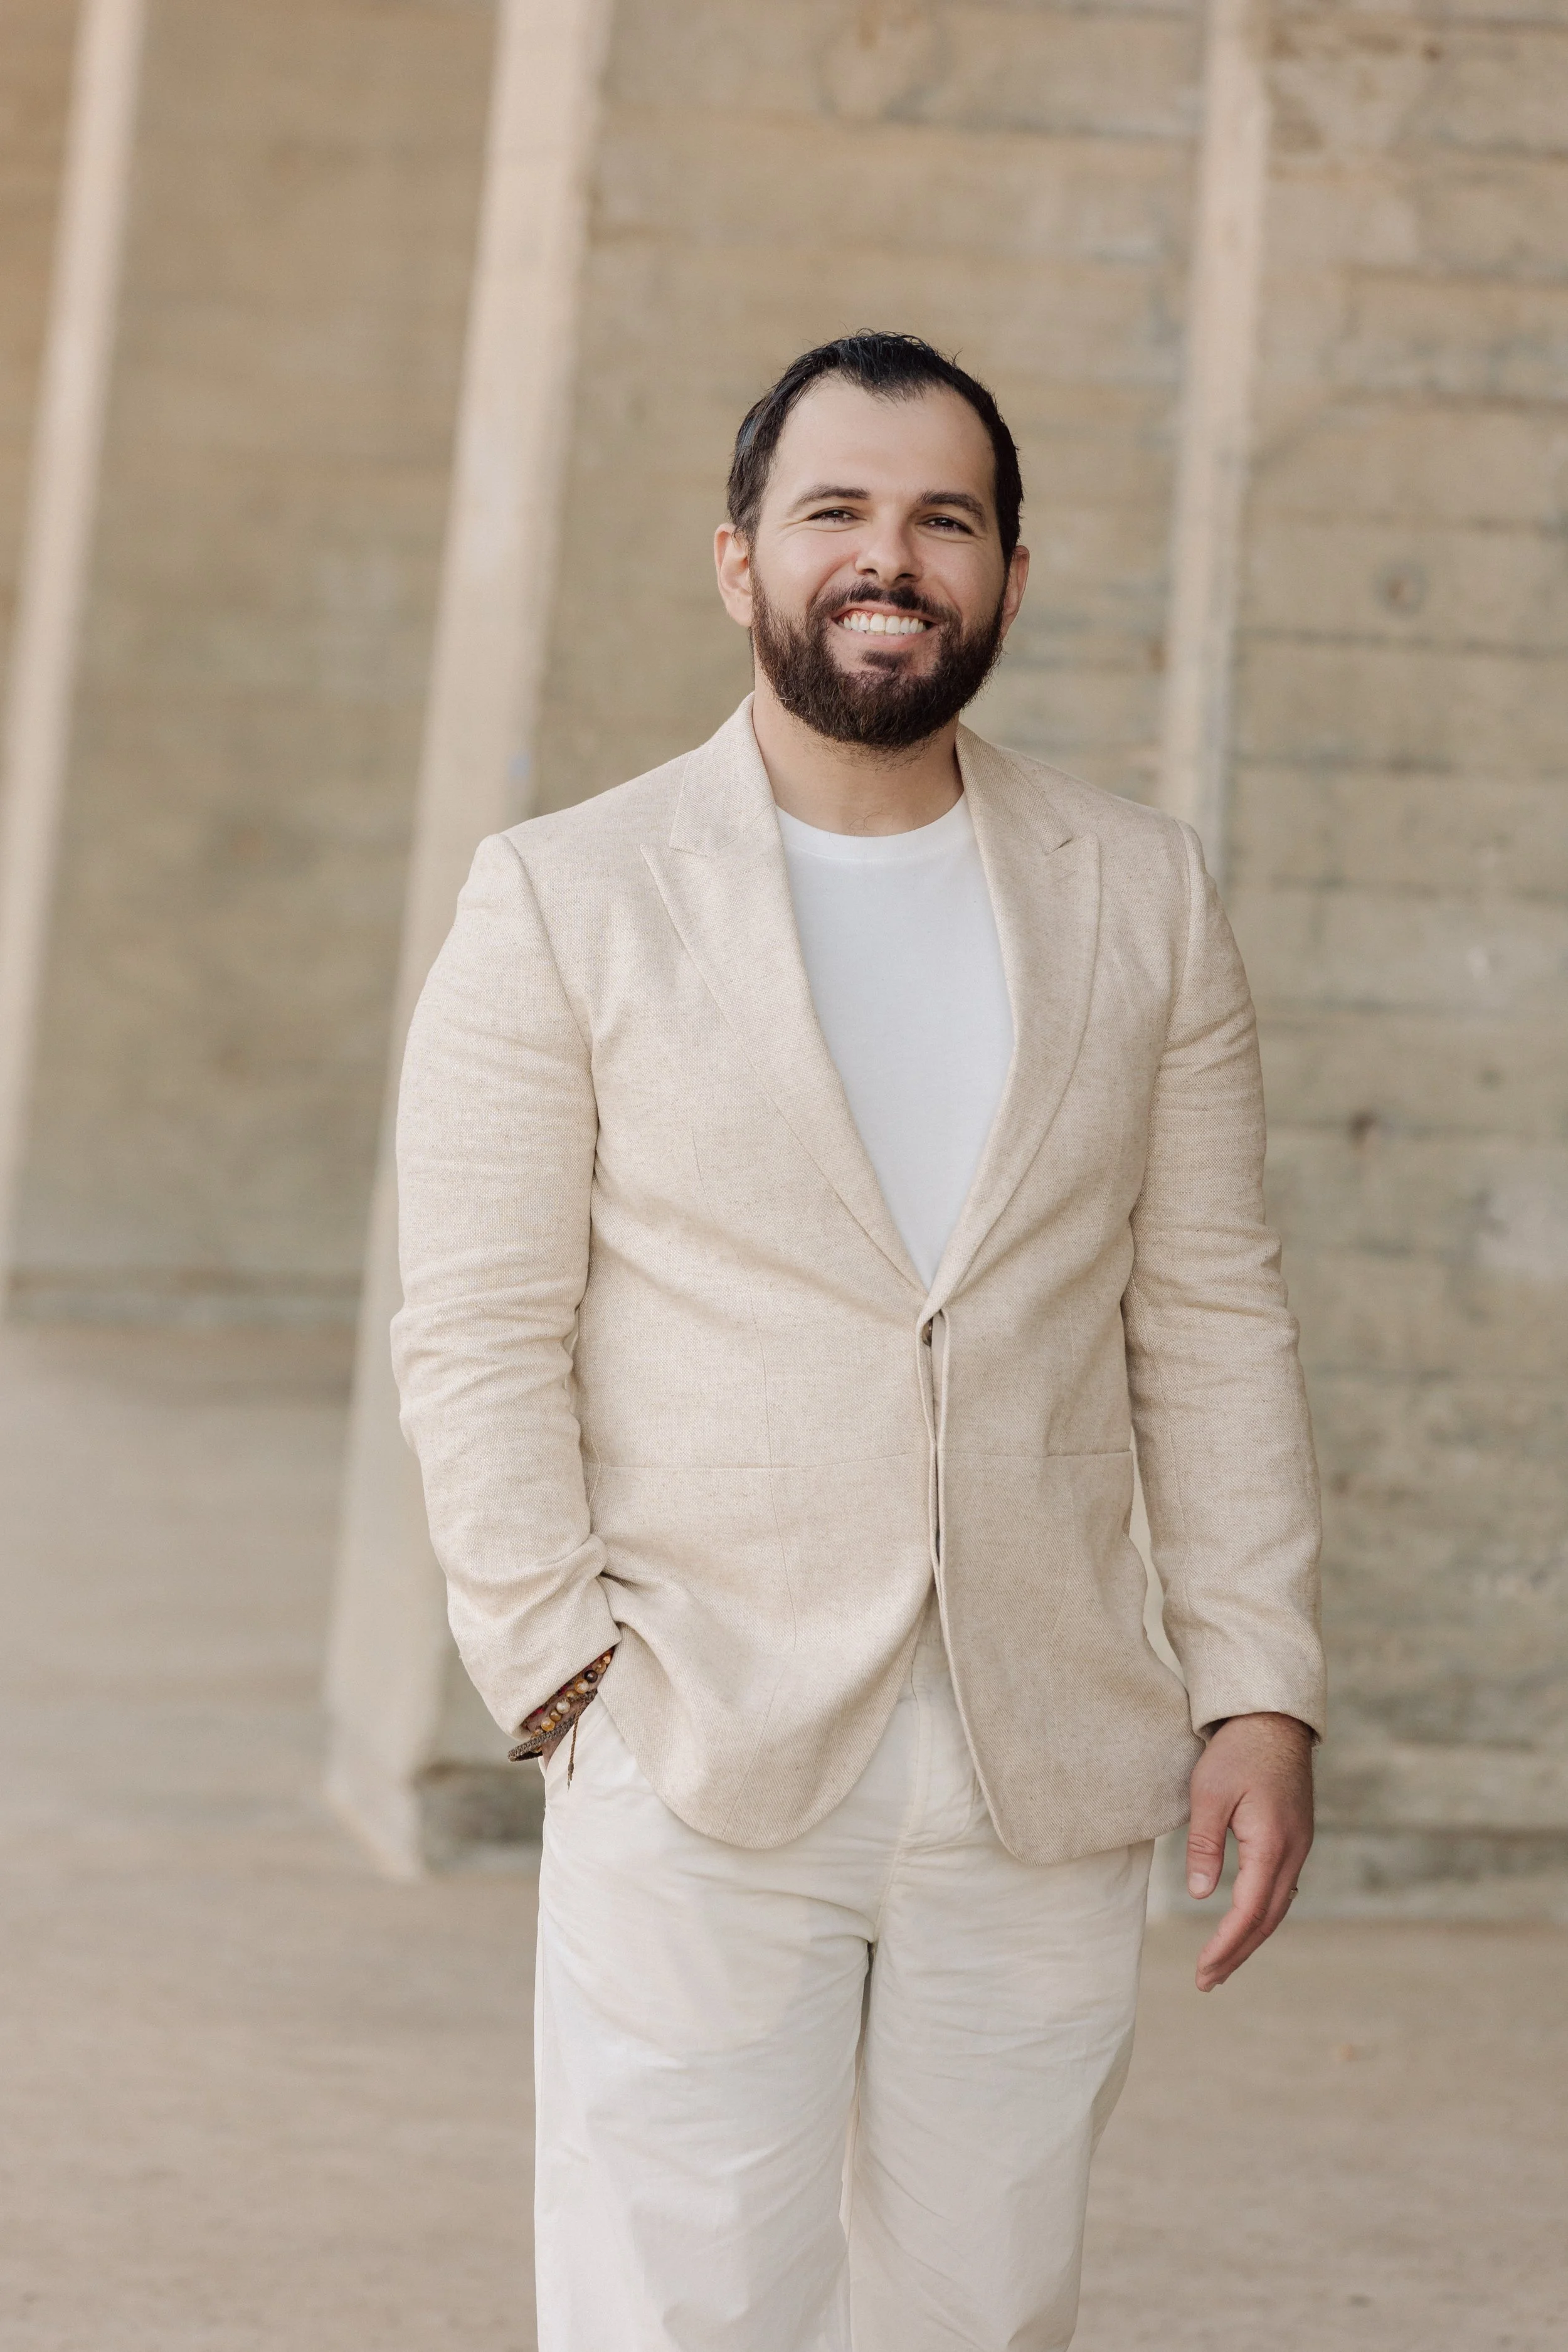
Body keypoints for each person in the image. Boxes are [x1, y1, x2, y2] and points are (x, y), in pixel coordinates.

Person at [392, 331, 1324, 2352]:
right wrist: (564, 1676)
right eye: (834, 512)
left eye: (940, 519)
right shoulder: (564, 895)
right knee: (677, 2304)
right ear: (740, 560)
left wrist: (1257, 1679)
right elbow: (474, 1326)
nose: (886, 557)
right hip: (697, 1728)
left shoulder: (1139, 894)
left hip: (1043, 1737)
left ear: (1002, 568)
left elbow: (1209, 1309)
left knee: (982, 2310)